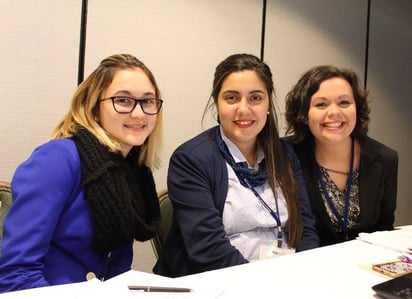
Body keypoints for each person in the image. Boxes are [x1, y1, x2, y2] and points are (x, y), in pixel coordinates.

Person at [0, 54, 163, 292]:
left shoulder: (131, 169)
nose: (139, 113)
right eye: (123, 100)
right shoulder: (57, 158)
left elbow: (117, 270)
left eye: (148, 101)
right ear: (94, 106)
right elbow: (16, 274)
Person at [153, 53, 319, 278]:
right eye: (231, 98)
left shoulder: (285, 154)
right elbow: (209, 251)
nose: (244, 109)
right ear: (217, 103)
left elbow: (306, 230)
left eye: (255, 98)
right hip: (218, 283)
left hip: (286, 278)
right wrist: (263, 285)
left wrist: (302, 274)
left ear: (268, 102)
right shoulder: (191, 160)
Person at [284, 65, 398, 246]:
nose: (334, 112)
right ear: (304, 113)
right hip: (308, 264)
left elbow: (384, 230)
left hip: (364, 266)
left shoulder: (385, 159)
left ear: (357, 109)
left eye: (344, 102)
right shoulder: (285, 155)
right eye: (321, 104)